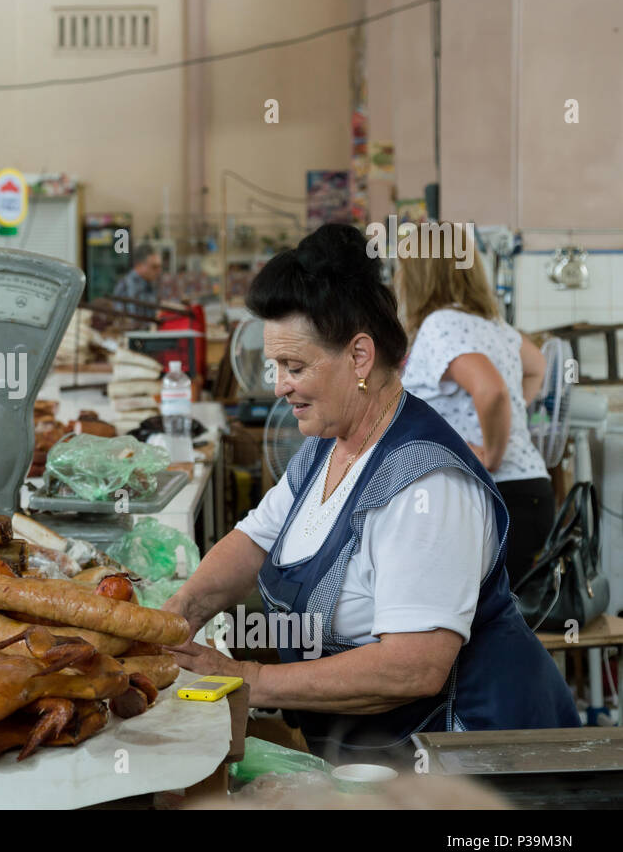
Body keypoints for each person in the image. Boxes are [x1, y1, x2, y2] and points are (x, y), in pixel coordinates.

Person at [160, 224, 578, 766]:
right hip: (371, 757)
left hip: (471, 762)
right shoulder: (324, 446)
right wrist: (174, 618)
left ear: (360, 356)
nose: (280, 385)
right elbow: (254, 541)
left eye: (295, 367)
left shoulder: (427, 485)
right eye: (276, 367)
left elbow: (413, 666)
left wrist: (249, 679)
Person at [396, 237, 554, 587]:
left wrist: (492, 453)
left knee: (471, 626)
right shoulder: (495, 326)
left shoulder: (441, 324)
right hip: (527, 492)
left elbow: (492, 390)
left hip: (492, 495)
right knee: (500, 621)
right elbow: (537, 366)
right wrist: (511, 417)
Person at [111, 243, 162, 317]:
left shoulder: (150, 284)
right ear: (139, 265)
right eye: (154, 267)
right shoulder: (126, 286)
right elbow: (125, 320)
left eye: (159, 267)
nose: (159, 271)